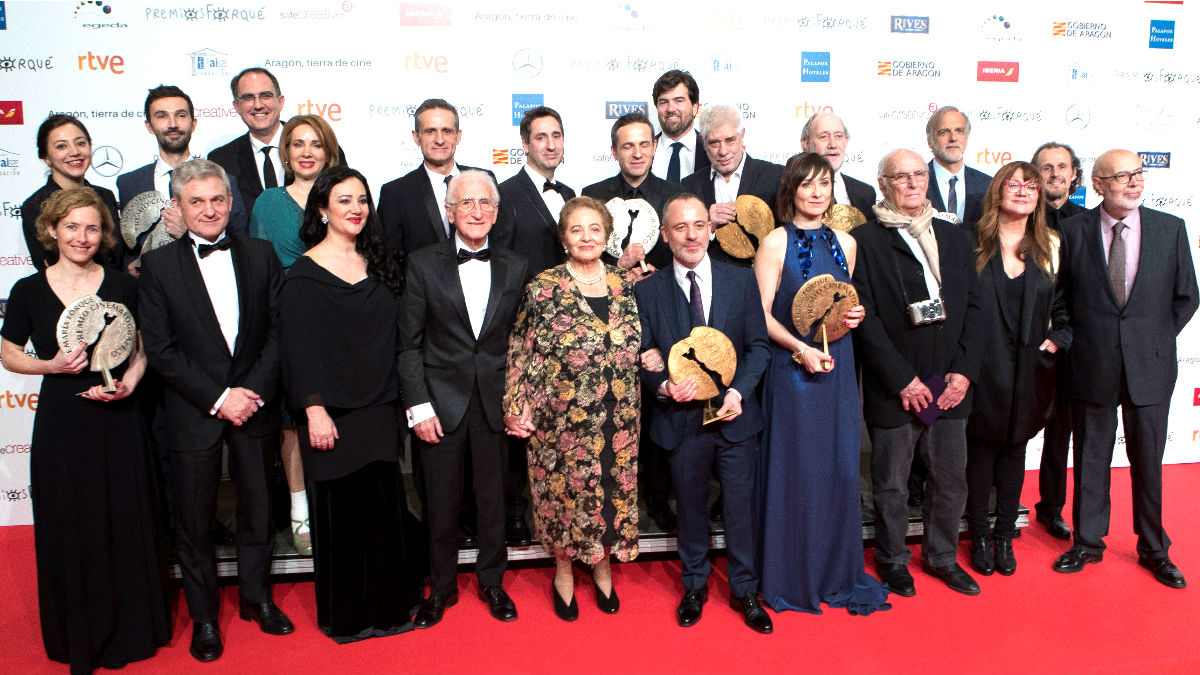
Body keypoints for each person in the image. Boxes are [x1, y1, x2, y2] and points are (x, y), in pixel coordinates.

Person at [1, 188, 171, 675]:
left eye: (92, 228)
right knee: (73, 522)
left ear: (104, 234)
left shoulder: (123, 284)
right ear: (51, 230)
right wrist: (48, 365)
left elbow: (141, 351)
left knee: (123, 518)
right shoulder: (29, 291)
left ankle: (133, 629)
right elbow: (8, 351)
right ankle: (80, 632)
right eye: (72, 227)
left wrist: (129, 384)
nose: (82, 237)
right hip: (63, 422)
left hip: (119, 419)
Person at [138, 159, 293, 662]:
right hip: (194, 411)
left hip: (255, 406)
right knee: (196, 519)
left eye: (217, 199)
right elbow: (160, 350)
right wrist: (219, 398)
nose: (209, 210)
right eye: (197, 201)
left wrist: (249, 391)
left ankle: (257, 598)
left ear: (231, 202)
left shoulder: (261, 253)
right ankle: (205, 617)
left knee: (259, 510)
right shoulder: (159, 268)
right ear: (178, 208)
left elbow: (278, 332)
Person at [279, 165, 421, 641]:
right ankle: (349, 616)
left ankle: (389, 609)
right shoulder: (301, 276)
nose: (356, 208)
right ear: (322, 209)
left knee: (382, 508)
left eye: (361, 199)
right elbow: (297, 351)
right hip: (330, 413)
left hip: (380, 407)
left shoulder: (381, 264)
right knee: (341, 513)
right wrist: (313, 410)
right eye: (343, 200)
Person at [1052, 149, 1198, 589]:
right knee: (1091, 456)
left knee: (1149, 460)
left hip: (1149, 367)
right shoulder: (1072, 232)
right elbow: (1059, 301)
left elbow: (1186, 296)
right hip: (1090, 362)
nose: (1133, 183)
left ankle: (1154, 548)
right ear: (1097, 184)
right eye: (1121, 177)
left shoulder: (1170, 229)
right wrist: (1076, 340)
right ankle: (1088, 542)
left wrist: (1150, 339)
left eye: (1138, 174)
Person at [753, 153, 890, 615]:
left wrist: (856, 315)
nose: (817, 192)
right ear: (791, 189)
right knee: (797, 470)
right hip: (792, 371)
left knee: (837, 468)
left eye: (825, 183)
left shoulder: (847, 243)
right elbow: (761, 316)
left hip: (837, 367)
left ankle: (835, 571)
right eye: (808, 184)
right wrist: (801, 350)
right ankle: (792, 574)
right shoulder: (774, 242)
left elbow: (847, 304)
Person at [852, 148, 987, 597]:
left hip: (950, 384)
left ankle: (943, 557)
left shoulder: (955, 237)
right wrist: (902, 379)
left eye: (917, 175)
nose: (912, 183)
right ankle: (893, 561)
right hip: (897, 386)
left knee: (950, 479)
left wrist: (963, 373)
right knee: (890, 485)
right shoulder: (866, 240)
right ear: (884, 183)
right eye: (900, 177)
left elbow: (974, 307)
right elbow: (864, 316)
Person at [635, 193, 773, 632]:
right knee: (690, 509)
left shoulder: (741, 280)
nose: (691, 235)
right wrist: (663, 386)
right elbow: (642, 354)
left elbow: (758, 347)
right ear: (665, 235)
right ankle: (694, 584)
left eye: (698, 225)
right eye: (680, 227)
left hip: (735, 418)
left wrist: (740, 393)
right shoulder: (648, 290)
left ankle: (745, 589)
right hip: (681, 422)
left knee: (740, 508)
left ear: (711, 230)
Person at [503, 196, 642, 622]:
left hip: (618, 419)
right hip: (558, 421)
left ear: (606, 236)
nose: (586, 237)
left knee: (609, 495)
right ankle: (563, 569)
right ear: (564, 238)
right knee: (562, 499)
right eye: (577, 230)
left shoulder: (624, 284)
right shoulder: (543, 287)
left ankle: (602, 565)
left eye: (595, 229)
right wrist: (514, 404)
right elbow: (519, 349)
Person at [399, 169, 526, 627]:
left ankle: (493, 582)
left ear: (496, 212)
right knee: (441, 502)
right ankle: (443, 587)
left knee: (493, 501)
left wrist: (520, 401)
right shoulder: (421, 263)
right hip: (438, 404)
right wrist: (418, 406)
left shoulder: (516, 265)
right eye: (466, 203)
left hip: (495, 403)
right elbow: (408, 344)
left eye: (485, 203)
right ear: (449, 211)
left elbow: (523, 343)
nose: (476, 211)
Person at [964, 162, 1071, 577]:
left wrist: (1056, 340)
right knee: (979, 456)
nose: (1023, 191)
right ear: (997, 191)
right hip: (979, 367)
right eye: (1014, 184)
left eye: (1032, 185)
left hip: (1030, 369)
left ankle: (1005, 536)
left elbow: (1065, 307)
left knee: (1013, 454)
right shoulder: (969, 241)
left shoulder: (1052, 245)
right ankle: (978, 535)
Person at [248, 114, 341, 556]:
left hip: (340, 321)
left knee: (339, 411)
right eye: (298, 143)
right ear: (285, 152)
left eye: (315, 144)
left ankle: (337, 506)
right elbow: (259, 272)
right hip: (288, 322)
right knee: (293, 418)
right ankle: (299, 508)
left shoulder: (345, 197)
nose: (307, 152)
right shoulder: (267, 202)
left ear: (329, 150)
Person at [492, 105, 576, 548]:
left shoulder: (571, 193)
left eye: (556, 136)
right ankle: (514, 514)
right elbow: (500, 266)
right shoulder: (505, 194)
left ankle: (562, 511)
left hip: (569, 335)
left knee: (560, 426)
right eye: (541, 137)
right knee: (519, 427)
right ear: (525, 144)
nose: (550, 144)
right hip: (524, 331)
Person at [118, 84, 248, 272]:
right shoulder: (129, 183)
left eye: (180, 115)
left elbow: (239, 240)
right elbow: (128, 244)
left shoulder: (225, 180)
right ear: (149, 126)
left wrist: (188, 234)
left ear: (193, 124)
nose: (173, 124)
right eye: (162, 116)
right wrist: (130, 269)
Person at [1031, 141, 1087, 540]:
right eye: (1046, 167)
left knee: (1062, 429)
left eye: (1061, 166)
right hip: (1022, 340)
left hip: (1071, 344)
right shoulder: (1017, 217)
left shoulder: (1087, 222)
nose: (1054, 173)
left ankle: (1051, 507)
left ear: (1074, 175)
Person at [209, 67, 346, 213]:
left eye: (265, 96)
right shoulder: (221, 160)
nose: (258, 105)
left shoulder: (322, 148)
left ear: (280, 101)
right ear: (236, 106)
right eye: (248, 98)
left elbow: (345, 200)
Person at [377, 98, 493, 271]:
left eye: (446, 131)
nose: (440, 140)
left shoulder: (484, 180)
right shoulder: (395, 193)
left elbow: (500, 244)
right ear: (416, 137)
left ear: (458, 136)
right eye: (430, 131)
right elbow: (389, 263)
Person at [680, 104, 784, 264]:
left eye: (730, 140)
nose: (723, 151)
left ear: (742, 134)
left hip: (760, 280)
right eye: (714, 143)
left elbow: (788, 237)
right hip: (710, 282)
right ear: (702, 141)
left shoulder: (776, 176)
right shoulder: (689, 186)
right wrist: (707, 224)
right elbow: (680, 245)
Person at [21, 114, 122, 271]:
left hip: (117, 290)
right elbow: (50, 266)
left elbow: (116, 255)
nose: (75, 152)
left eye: (81, 143)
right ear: (46, 157)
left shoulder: (105, 196)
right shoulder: (36, 205)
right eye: (62, 146)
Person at [582, 111, 673, 276]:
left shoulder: (674, 196)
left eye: (644, 145)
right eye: (628, 146)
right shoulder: (593, 196)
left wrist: (660, 276)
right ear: (614, 152)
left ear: (654, 147)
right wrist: (619, 266)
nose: (637, 154)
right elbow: (583, 259)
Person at [924, 106, 991, 229]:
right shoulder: (915, 183)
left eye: (959, 131)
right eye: (944, 132)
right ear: (930, 141)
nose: (953, 138)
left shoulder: (988, 185)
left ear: (966, 137)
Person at [800, 112, 877, 216]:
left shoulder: (866, 193)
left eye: (838, 136)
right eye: (823, 137)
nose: (833, 144)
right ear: (806, 143)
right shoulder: (790, 188)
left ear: (846, 141)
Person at [650, 69, 710, 182]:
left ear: (695, 108)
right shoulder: (644, 151)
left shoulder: (711, 151)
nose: (671, 109)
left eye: (679, 101)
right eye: (663, 102)